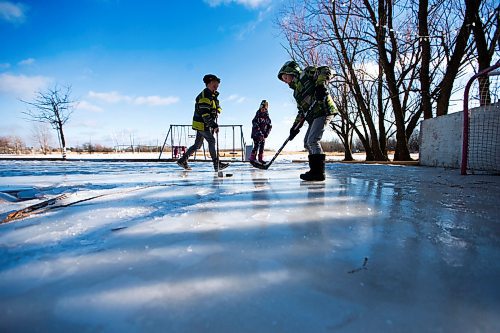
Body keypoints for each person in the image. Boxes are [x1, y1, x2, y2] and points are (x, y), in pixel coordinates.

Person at [277, 60, 337, 181]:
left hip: (323, 109)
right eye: (283, 79)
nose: (284, 81)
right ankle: (314, 170)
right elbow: (302, 111)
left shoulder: (306, 73)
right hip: (314, 115)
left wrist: (320, 85)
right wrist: (295, 128)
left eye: (285, 77)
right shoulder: (296, 93)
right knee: (307, 142)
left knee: (313, 140)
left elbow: (326, 70)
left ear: (291, 72)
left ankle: (319, 172)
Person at [177, 74, 229, 171]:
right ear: (209, 84)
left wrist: (218, 110)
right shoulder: (205, 96)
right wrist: (214, 125)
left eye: (217, 85)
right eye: (215, 85)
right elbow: (205, 115)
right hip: (202, 123)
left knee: (197, 145)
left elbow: (217, 106)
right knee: (211, 140)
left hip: (203, 124)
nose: (217, 87)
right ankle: (216, 164)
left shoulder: (213, 96)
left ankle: (182, 160)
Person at [250, 100, 272, 164]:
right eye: (261, 108)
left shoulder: (267, 117)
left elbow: (269, 126)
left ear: (266, 109)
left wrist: (266, 133)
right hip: (256, 134)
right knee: (256, 145)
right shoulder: (258, 115)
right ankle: (253, 158)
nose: (262, 110)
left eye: (264, 109)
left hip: (263, 135)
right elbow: (254, 122)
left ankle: (260, 159)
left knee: (262, 146)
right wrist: (259, 132)